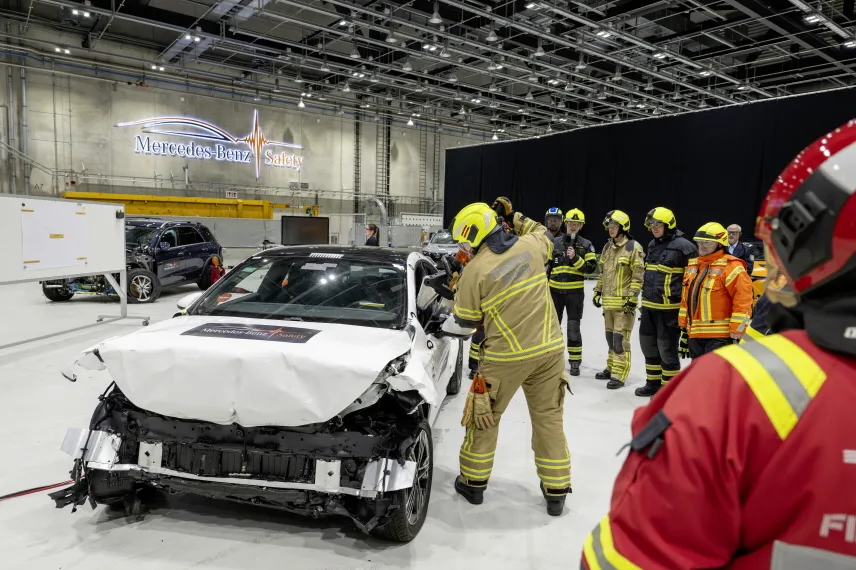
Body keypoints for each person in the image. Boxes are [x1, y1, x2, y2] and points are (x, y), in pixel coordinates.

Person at [580, 119, 856, 570]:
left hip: (705, 338)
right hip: (671, 319)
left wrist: (731, 338)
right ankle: (653, 380)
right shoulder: (686, 262)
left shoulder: (736, 392)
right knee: (655, 354)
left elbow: (632, 553)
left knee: (665, 358)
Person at [444, 197, 571, 516]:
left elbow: (465, 319)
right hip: (549, 350)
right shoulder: (532, 245)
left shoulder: (475, 271)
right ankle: (556, 490)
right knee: (549, 418)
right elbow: (544, 232)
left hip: (506, 358)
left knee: (484, 417)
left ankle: (473, 483)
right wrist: (515, 217)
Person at [634, 207, 697, 398]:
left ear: (668, 225)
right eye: (652, 224)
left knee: (666, 349)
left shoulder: (685, 247)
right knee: (648, 346)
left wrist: (688, 314)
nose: (654, 228)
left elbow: (692, 283)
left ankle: (668, 391)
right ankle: (652, 384)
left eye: (658, 224)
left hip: (670, 309)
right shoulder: (653, 244)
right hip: (649, 306)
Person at [678, 222, 753, 357]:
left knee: (715, 376)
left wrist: (738, 328)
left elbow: (744, 298)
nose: (702, 245)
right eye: (699, 241)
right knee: (699, 375)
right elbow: (686, 296)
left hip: (720, 336)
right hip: (695, 333)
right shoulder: (693, 265)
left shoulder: (731, 265)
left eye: (707, 242)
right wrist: (683, 322)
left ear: (720, 243)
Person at [592, 210, 645, 389]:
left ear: (623, 227)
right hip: (608, 304)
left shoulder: (633, 247)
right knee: (609, 338)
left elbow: (638, 277)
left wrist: (632, 298)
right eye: (609, 226)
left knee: (620, 341)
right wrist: (598, 291)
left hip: (624, 305)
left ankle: (619, 374)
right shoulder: (607, 248)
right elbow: (603, 273)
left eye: (614, 226)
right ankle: (611, 367)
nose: (611, 229)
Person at [547, 209, 597, 375]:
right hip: (554, 293)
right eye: (570, 223)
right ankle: (553, 361)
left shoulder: (587, 244)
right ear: (565, 224)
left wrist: (575, 258)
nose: (573, 226)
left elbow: (591, 269)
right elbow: (547, 267)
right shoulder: (554, 242)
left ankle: (575, 363)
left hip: (574, 295)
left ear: (581, 226)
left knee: (573, 329)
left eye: (577, 224)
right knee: (553, 328)